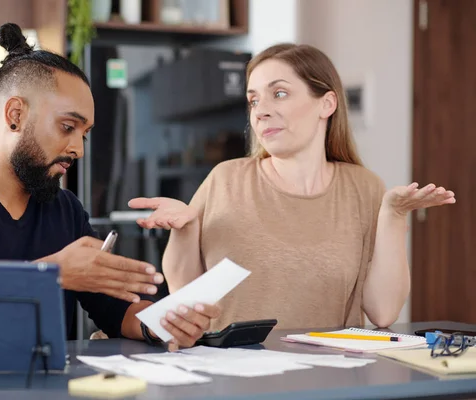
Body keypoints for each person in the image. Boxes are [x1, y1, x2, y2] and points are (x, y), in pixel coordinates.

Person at [0, 23, 219, 349]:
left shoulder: (65, 211)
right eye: (68, 126)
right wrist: (48, 274)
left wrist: (162, 322)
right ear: (15, 116)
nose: (78, 149)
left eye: (84, 134)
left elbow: (116, 313)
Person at [129, 43, 456, 332]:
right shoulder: (225, 179)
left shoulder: (364, 188)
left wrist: (394, 216)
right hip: (230, 378)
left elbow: (383, 312)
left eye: (279, 93)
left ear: (326, 104)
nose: (261, 111)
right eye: (254, 100)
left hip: (328, 380)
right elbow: (186, 298)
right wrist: (185, 229)